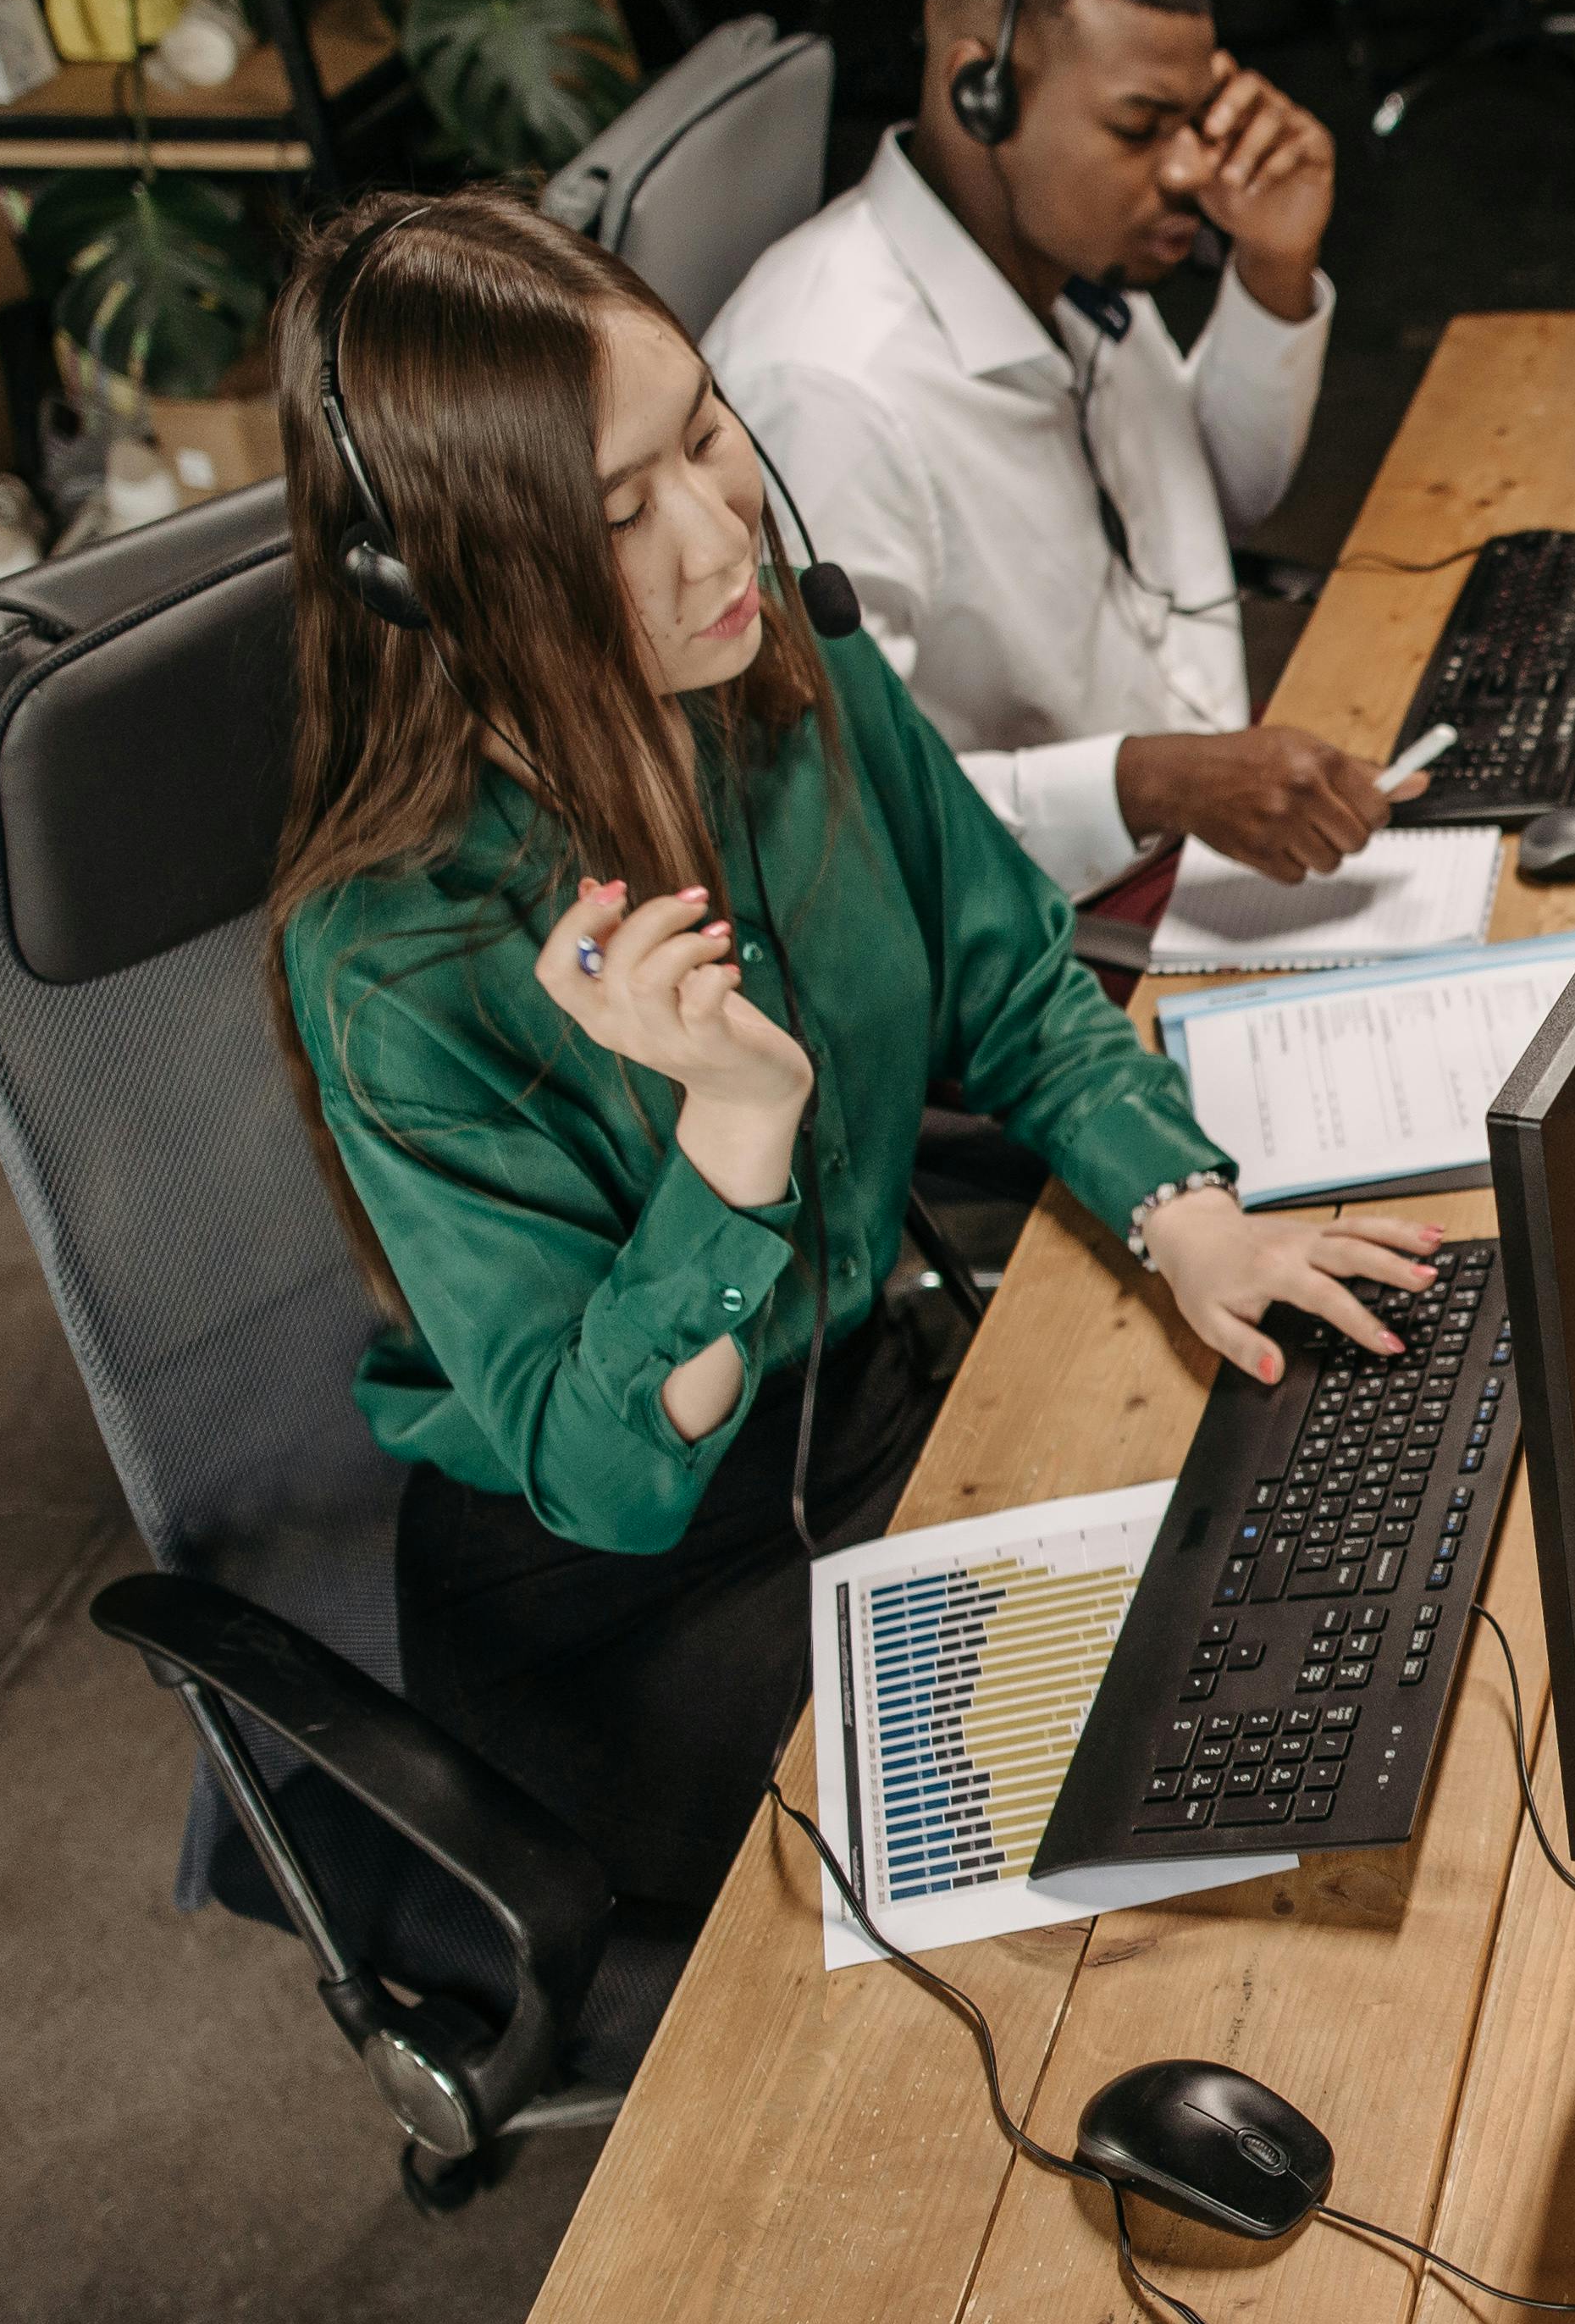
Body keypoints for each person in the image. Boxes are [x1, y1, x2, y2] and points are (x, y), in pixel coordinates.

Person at [271, 190, 1440, 1911]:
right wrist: (733, 1128)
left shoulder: (781, 668)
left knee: (1324, 1646)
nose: (718, 532)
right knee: (1155, 1881)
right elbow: (607, 1477)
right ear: (442, 578)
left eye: (706, 435)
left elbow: (1011, 973)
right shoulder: (395, 959)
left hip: (873, 1406)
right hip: (628, 1600)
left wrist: (1186, 1211)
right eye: (620, 511)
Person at [707, 0, 1405, 902]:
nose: (1187, 173)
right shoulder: (827, 394)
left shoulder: (1061, 259)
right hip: (1053, 925)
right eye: (1139, 128)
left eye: (1197, 121)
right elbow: (838, 822)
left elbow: (1216, 502)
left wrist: (1273, 269)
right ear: (978, 93)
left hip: (1206, 844)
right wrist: (1146, 784)